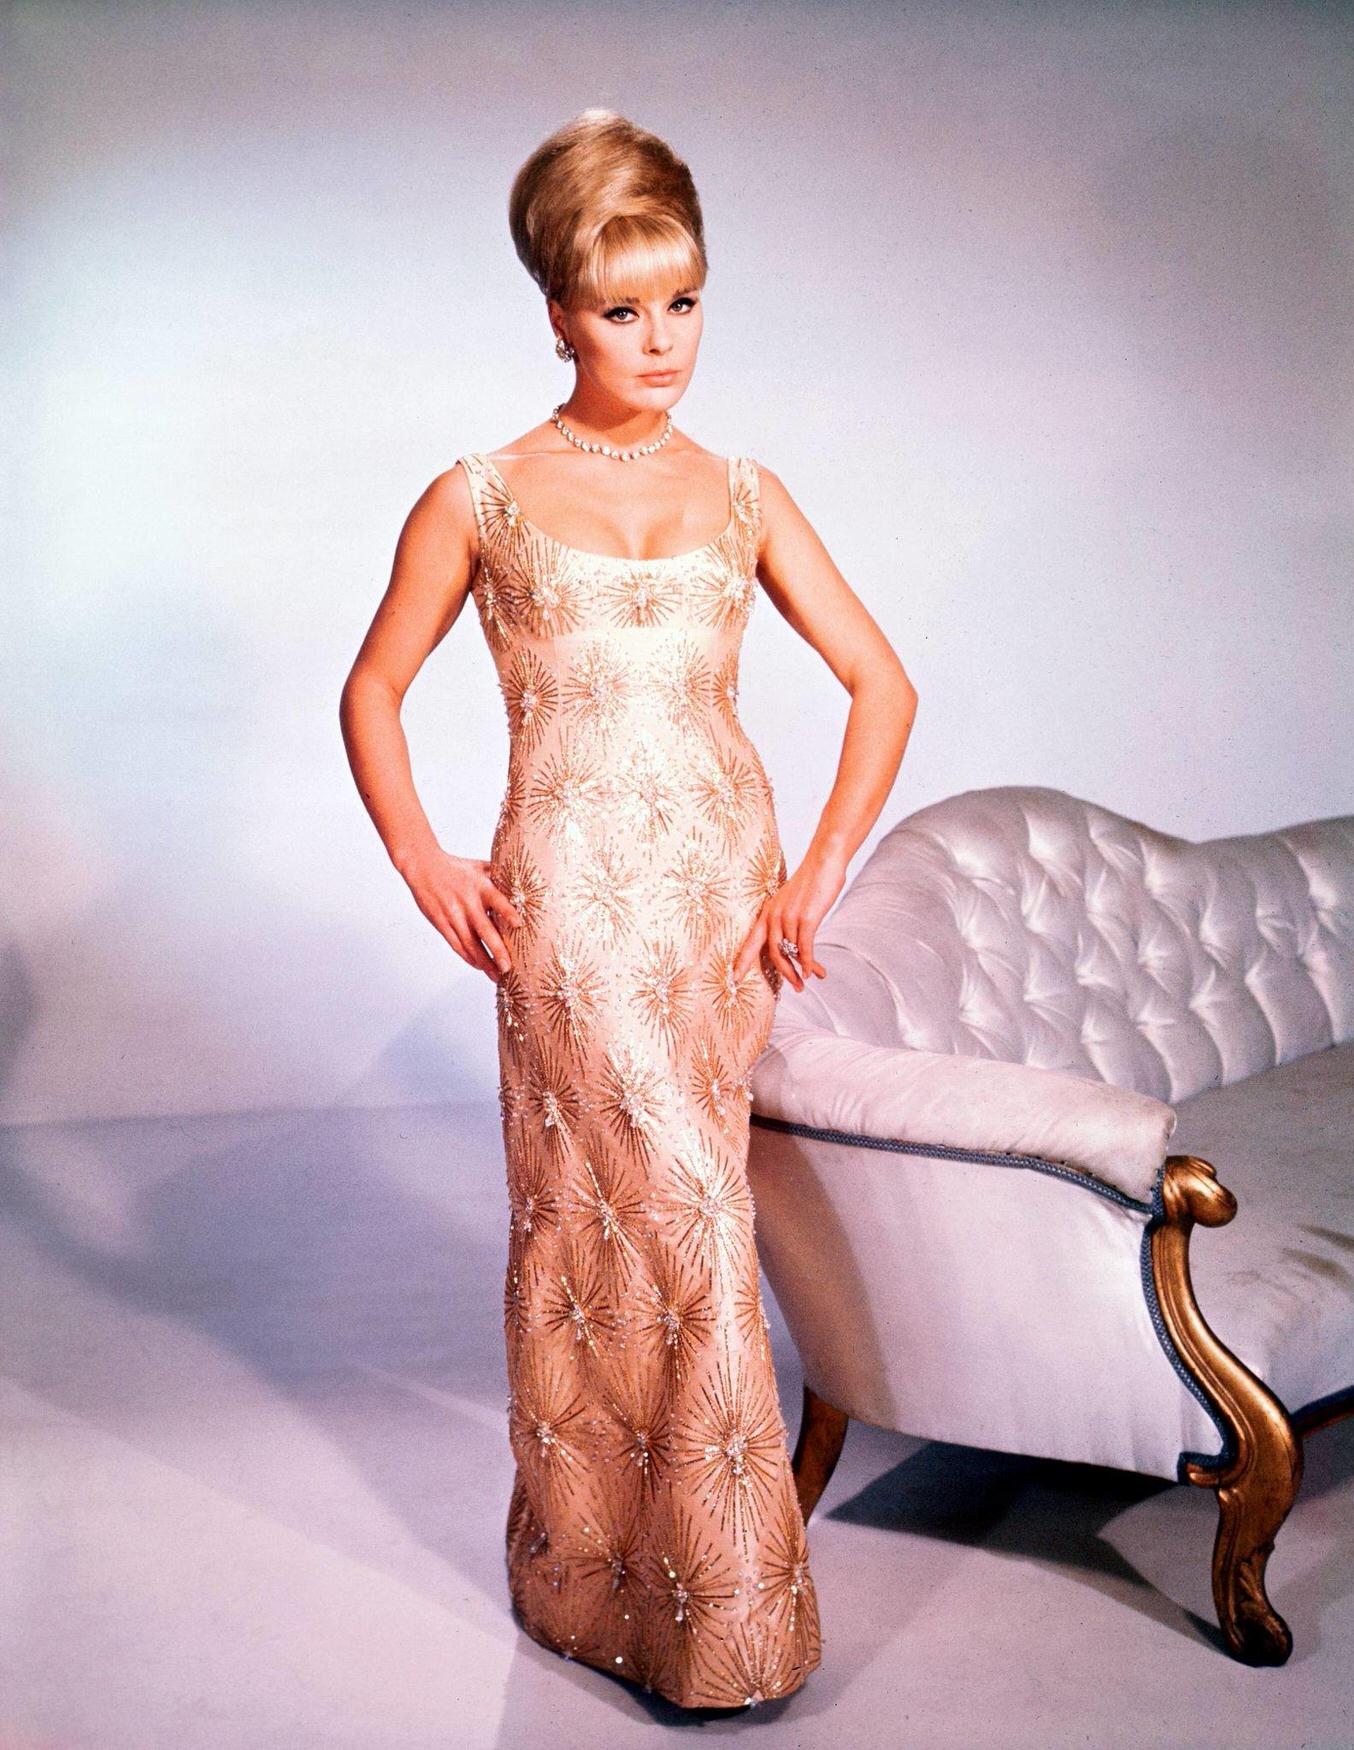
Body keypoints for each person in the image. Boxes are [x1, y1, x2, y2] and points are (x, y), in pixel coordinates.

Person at [340, 107, 917, 1711]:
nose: (661, 340)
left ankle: (615, 1583)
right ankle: (716, 1619)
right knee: (673, 1216)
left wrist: (818, 870)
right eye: (621, 309)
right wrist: (424, 857)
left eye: (683, 301)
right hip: (572, 912)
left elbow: (883, 683)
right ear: (558, 315)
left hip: (720, 908)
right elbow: (373, 688)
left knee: (654, 1225)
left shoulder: (747, 491)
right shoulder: (478, 494)